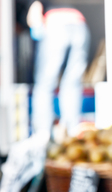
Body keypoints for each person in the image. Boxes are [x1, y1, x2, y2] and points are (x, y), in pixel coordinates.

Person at [27, 1, 90, 138]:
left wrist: (37, 29)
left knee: (44, 83)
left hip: (56, 25)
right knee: (73, 82)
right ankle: (71, 132)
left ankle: (42, 134)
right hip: (80, 25)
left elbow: (34, 13)